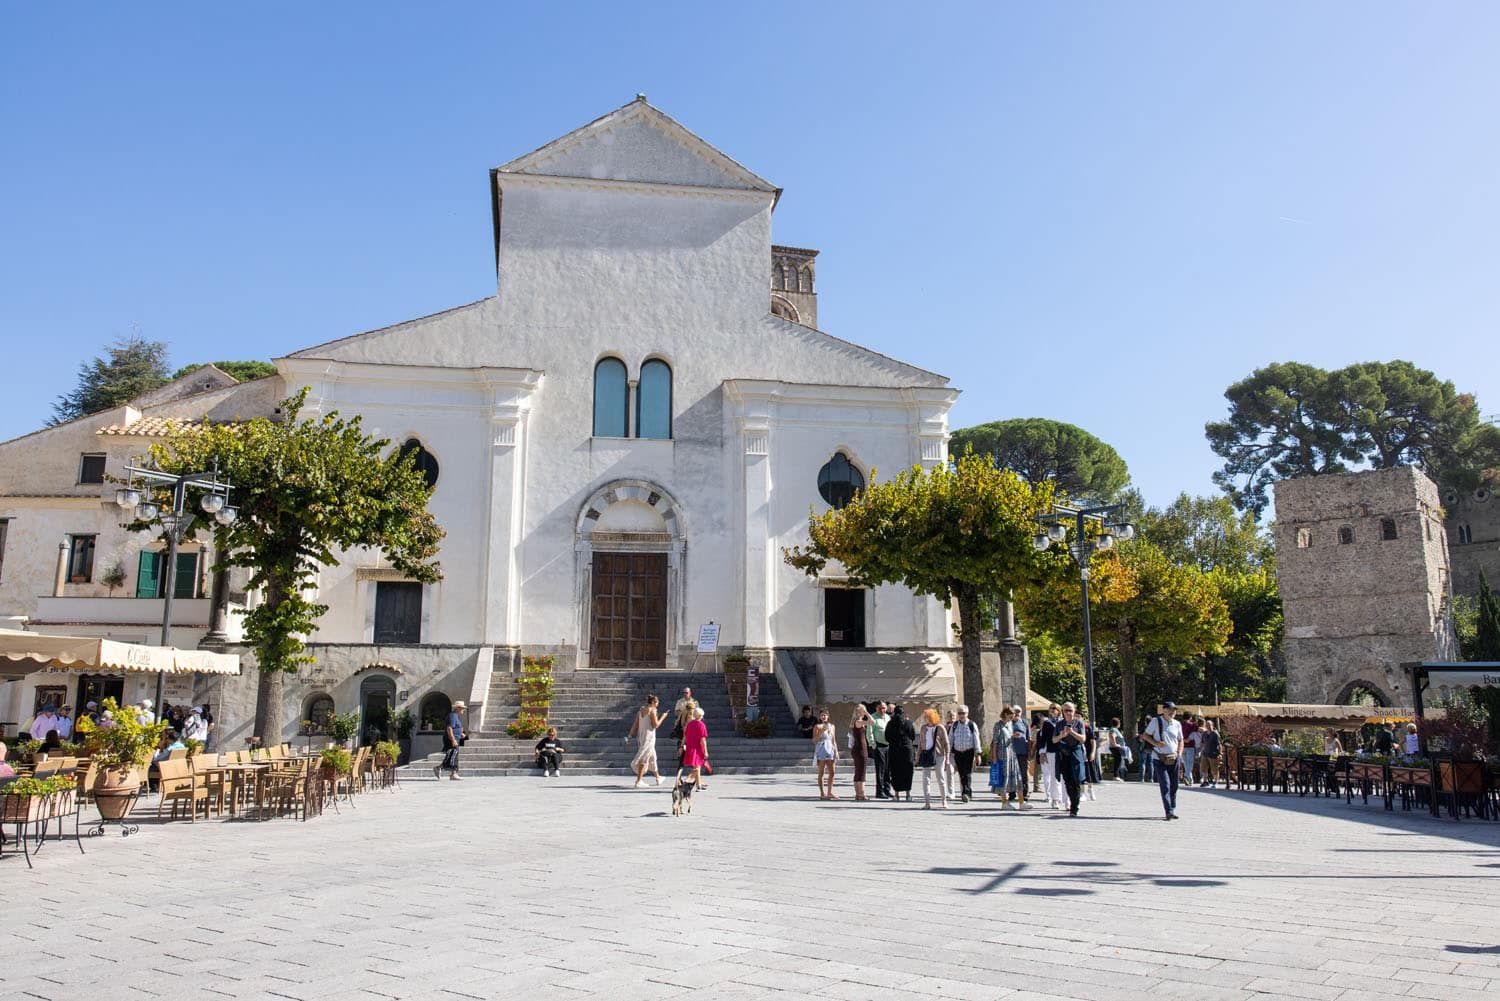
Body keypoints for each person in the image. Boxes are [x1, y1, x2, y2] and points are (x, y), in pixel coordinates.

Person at [1142, 701, 1184, 820]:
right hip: (1159, 758)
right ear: (1164, 710)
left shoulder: (1177, 724)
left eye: (1174, 710)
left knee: (1174, 785)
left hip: (1174, 758)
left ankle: (1172, 807)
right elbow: (1145, 735)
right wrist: (1155, 743)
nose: (1173, 712)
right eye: (1170, 709)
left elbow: (1181, 740)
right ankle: (1168, 811)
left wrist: (1179, 754)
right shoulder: (1156, 721)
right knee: (1165, 784)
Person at [1050, 703, 1088, 816]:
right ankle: (1072, 803)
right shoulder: (1059, 724)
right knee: (1067, 781)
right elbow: (1053, 740)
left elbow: (1083, 739)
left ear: (1074, 711)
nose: (1068, 713)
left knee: (1076, 779)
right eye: (1066, 710)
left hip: (1075, 754)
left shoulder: (1079, 723)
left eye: (1070, 710)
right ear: (1062, 711)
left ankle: (1074, 806)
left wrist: (1072, 732)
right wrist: (1061, 736)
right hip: (1064, 755)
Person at [989, 707, 1029, 810]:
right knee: (1004, 779)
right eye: (1011, 714)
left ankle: (1021, 802)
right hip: (1002, 755)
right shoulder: (998, 725)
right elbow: (995, 742)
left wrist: (1013, 736)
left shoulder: (1010, 724)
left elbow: (1008, 738)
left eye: (1014, 714)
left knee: (1017, 777)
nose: (1013, 716)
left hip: (1011, 754)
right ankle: (1004, 802)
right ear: (1006, 714)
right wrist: (994, 757)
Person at [629, 694, 670, 787]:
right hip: (649, 738)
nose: (658, 704)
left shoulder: (640, 711)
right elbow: (656, 725)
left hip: (641, 736)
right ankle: (638, 781)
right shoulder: (652, 710)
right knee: (644, 757)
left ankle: (658, 777)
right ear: (653, 702)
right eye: (657, 702)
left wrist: (630, 735)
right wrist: (663, 717)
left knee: (652, 757)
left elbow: (635, 725)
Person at [948, 704, 982, 803]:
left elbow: (976, 740)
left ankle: (965, 793)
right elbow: (950, 739)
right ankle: (967, 792)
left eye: (963, 713)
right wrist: (948, 752)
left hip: (968, 752)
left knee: (967, 773)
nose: (961, 715)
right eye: (959, 713)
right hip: (958, 753)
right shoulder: (954, 725)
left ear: (967, 713)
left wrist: (978, 754)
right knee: (962, 773)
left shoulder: (972, 725)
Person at [917, 708, 951, 809]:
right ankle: (927, 802)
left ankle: (944, 801)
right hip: (926, 754)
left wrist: (947, 757)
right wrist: (918, 755)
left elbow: (946, 743)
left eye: (927, 717)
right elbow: (920, 743)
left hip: (939, 755)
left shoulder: (940, 728)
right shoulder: (923, 728)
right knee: (926, 779)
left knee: (940, 778)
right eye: (925, 717)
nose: (925, 719)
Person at [886, 705, 916, 802]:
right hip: (907, 749)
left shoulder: (890, 723)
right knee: (908, 771)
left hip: (894, 749)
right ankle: (908, 794)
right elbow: (912, 736)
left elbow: (887, 737)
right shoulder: (909, 723)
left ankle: (896, 795)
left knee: (895, 771)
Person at [1037, 704, 1063, 808]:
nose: (1052, 710)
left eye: (1054, 708)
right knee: (1053, 775)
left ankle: (1063, 797)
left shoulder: (1063, 722)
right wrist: (1042, 752)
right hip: (1051, 751)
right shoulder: (1047, 723)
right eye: (1050, 708)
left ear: (1059, 710)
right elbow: (1043, 739)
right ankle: (1054, 798)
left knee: (1063, 776)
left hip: (1063, 751)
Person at [812, 707, 839, 800]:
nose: (823, 716)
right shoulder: (817, 726)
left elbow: (833, 739)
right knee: (821, 772)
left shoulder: (832, 726)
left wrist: (836, 750)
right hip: (821, 749)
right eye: (822, 715)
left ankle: (830, 792)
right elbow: (814, 740)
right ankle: (822, 793)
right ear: (819, 717)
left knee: (832, 772)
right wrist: (822, 731)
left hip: (830, 749)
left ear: (828, 716)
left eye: (825, 715)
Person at [435, 700, 466, 781]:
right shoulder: (452, 716)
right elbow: (449, 728)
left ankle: (439, 768)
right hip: (451, 739)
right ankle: (453, 774)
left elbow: (456, 728)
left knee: (452, 756)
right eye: (462, 708)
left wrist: (461, 734)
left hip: (455, 739)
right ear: (458, 708)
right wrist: (453, 740)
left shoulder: (456, 716)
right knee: (453, 756)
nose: (464, 710)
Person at [680, 706, 709, 789]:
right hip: (697, 748)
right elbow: (703, 740)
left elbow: (685, 736)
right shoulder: (702, 725)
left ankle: (698, 784)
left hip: (690, 747)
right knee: (697, 767)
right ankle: (688, 780)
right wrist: (706, 751)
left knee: (697, 766)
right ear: (700, 716)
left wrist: (682, 745)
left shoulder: (690, 724)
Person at [1008, 705, 1031, 804]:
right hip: (1011, 752)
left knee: (1023, 774)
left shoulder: (1024, 723)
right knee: (1011, 773)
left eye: (1019, 711)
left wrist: (1030, 751)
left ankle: (1025, 794)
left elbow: (1029, 738)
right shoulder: (1008, 723)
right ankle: (1012, 793)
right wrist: (1012, 736)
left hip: (1023, 751)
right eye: (1015, 711)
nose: (1017, 713)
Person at [849, 703, 872, 801]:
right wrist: (867, 713)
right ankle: (861, 794)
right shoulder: (859, 722)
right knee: (861, 772)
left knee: (858, 771)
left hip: (857, 748)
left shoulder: (855, 722)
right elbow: (872, 722)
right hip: (861, 749)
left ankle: (858, 794)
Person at [869, 701, 892, 799]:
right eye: (880, 708)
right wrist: (873, 745)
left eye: (884, 708)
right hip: (878, 746)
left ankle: (887, 790)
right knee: (880, 770)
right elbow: (869, 732)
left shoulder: (888, 717)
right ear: (876, 708)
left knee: (888, 769)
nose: (882, 710)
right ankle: (880, 791)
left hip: (888, 746)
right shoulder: (873, 717)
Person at [1199, 720, 1222, 787]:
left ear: (1212, 725)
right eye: (1207, 725)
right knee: (1204, 768)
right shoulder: (1204, 733)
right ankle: (1205, 781)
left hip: (1213, 753)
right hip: (1205, 753)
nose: (1208, 726)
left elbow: (1219, 744)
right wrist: (1200, 751)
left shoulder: (1215, 734)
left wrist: (1220, 753)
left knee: (1214, 769)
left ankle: (1215, 781)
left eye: (1209, 725)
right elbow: (1202, 743)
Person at [1180, 714, 1200, 786]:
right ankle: (1186, 776)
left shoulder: (1179, 725)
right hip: (1190, 746)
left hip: (1182, 746)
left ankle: (1190, 780)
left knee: (1186, 764)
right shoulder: (1192, 725)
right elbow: (1199, 730)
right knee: (1190, 764)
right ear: (1190, 717)